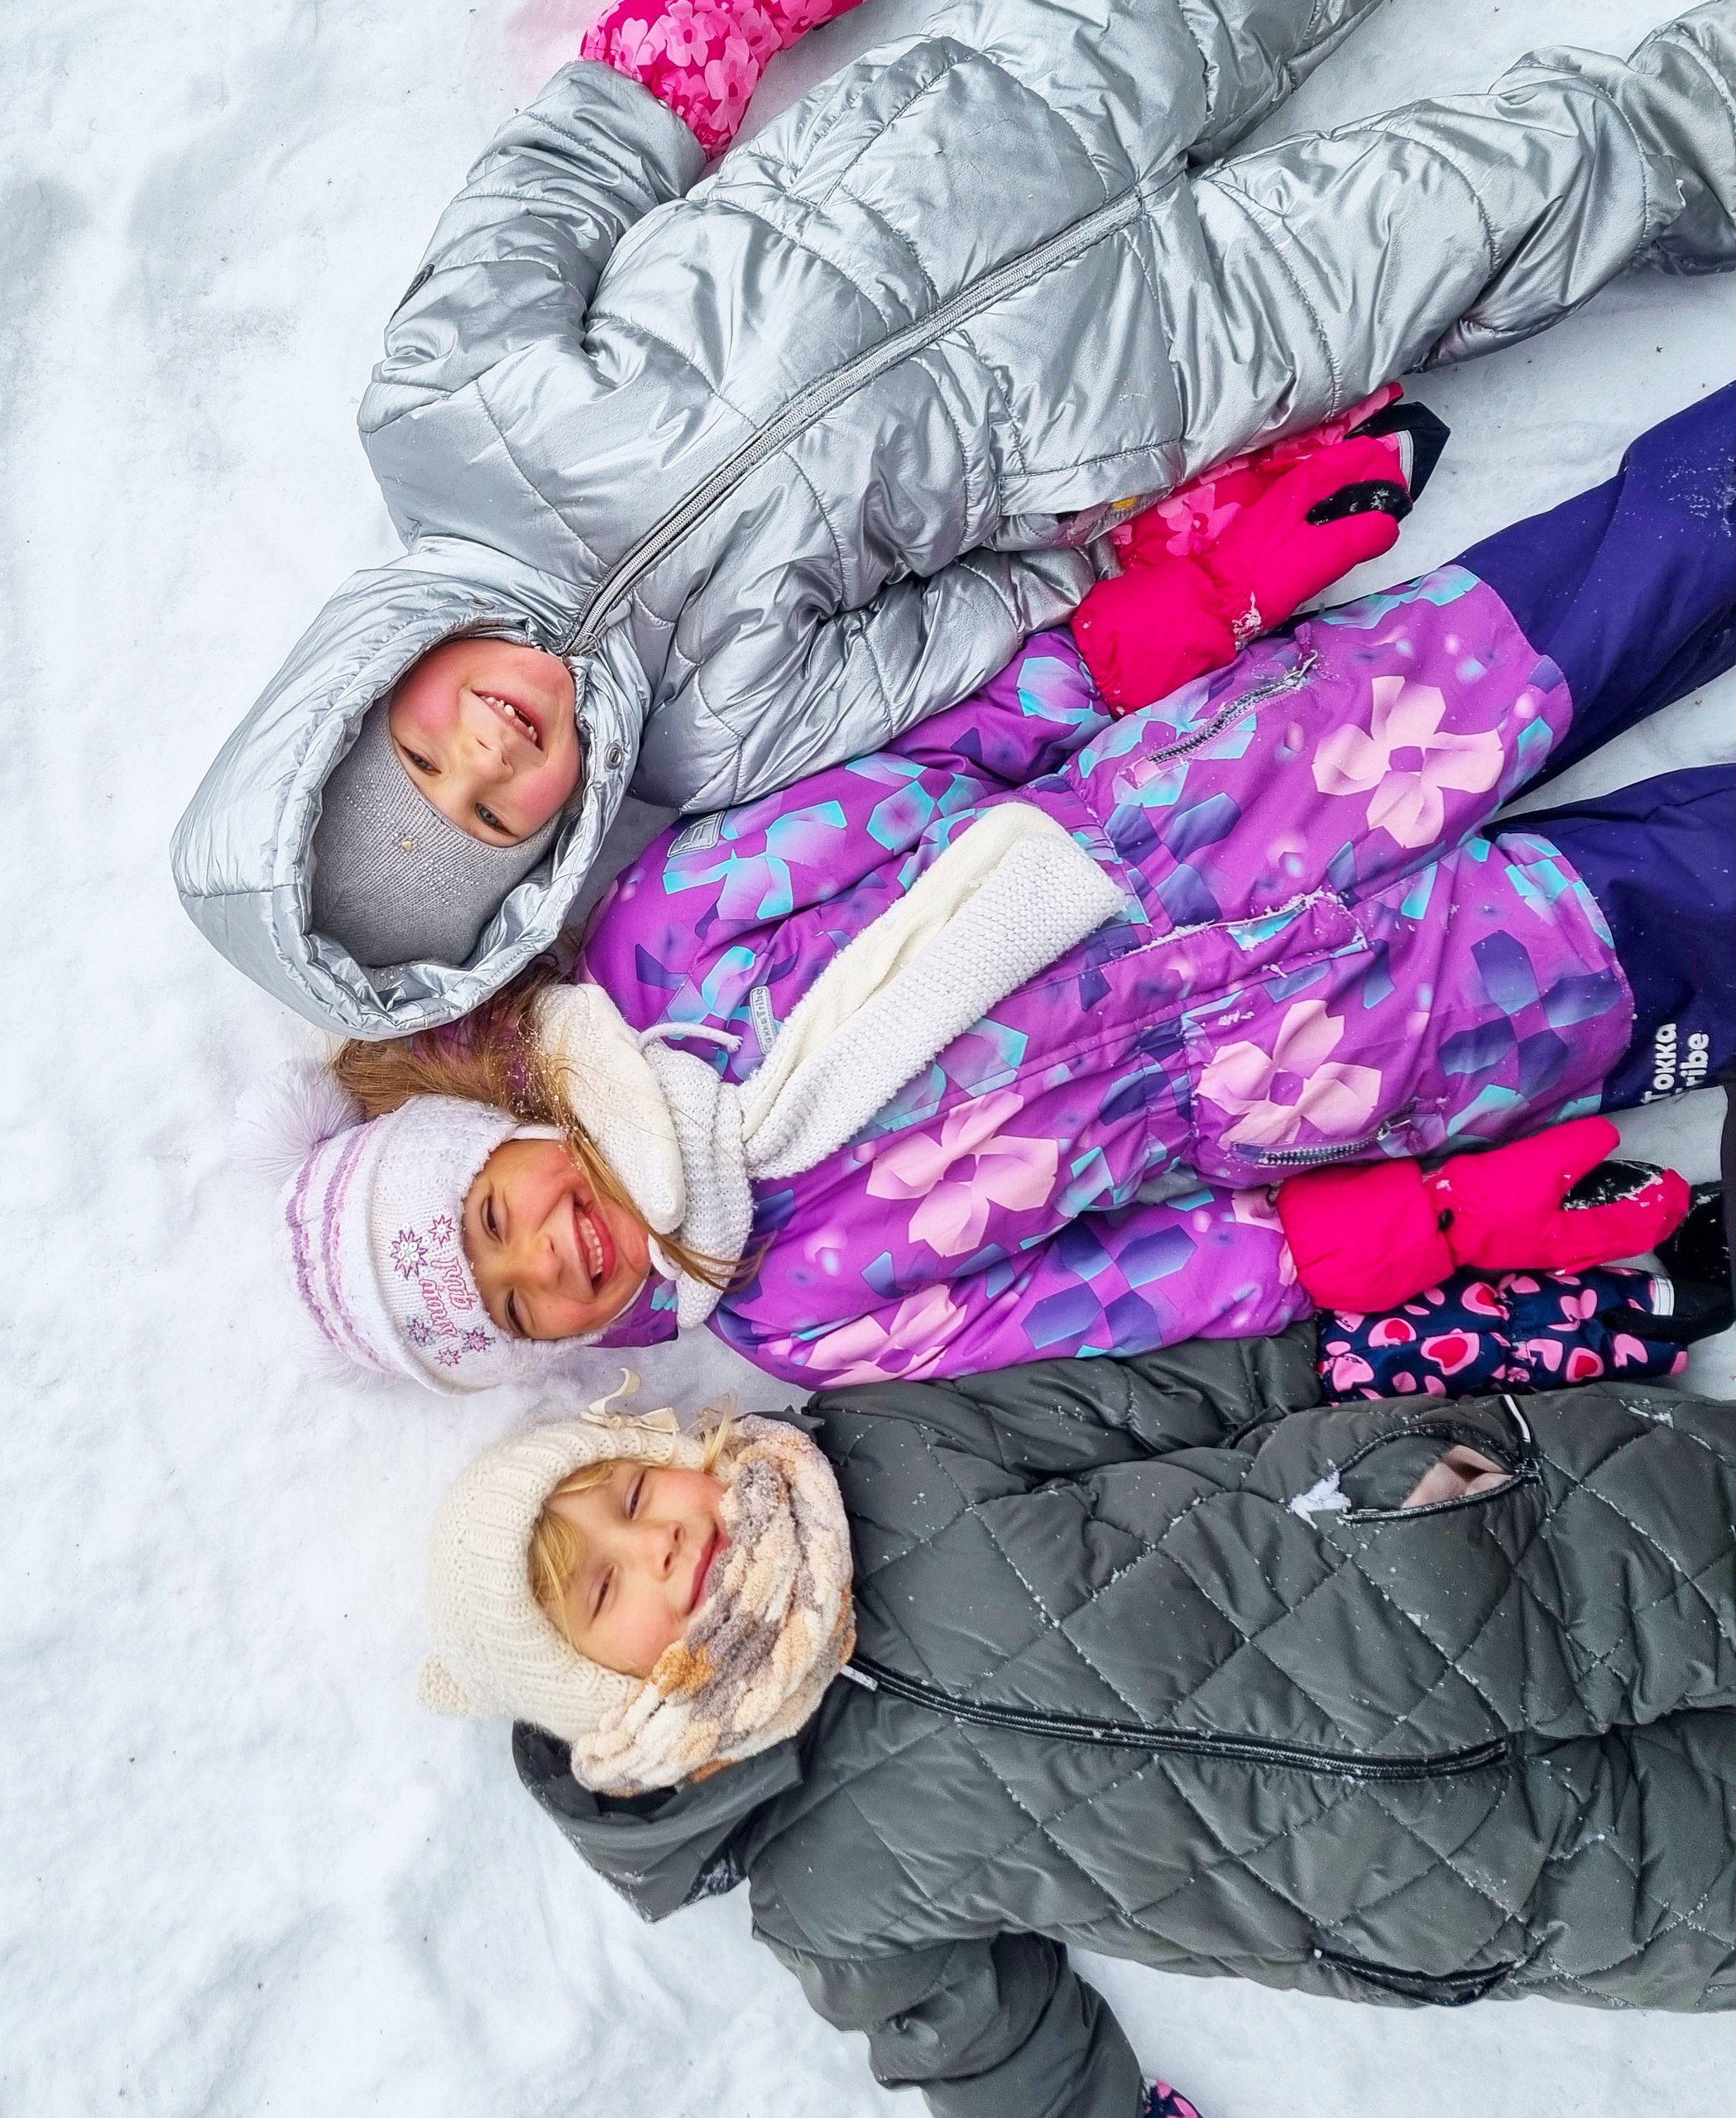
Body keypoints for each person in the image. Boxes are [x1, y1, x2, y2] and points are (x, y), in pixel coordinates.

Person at [170, 0, 1736, 1040]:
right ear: (547, 847)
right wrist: (1141, 523)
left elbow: (567, 179)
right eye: (498, 812)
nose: (496, 749)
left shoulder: (447, 413)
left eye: (427, 749)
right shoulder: (709, 735)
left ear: (365, 690)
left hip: (989, 123)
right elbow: (965, 627)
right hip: (1144, 373)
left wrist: (699, 39)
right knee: (1521, 195)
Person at [254, 394, 1735, 1392]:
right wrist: (1442, 1217)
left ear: (498, 1136)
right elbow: (1150, 1280)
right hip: (1344, 1057)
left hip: (1236, 786)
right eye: (516, 1305)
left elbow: (945, 765)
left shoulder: (665, 945)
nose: (544, 1253)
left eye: (489, 1216)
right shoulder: (797, 1317)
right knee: (1705, 906)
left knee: (1647, 565)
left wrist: (1209, 602)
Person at [418, 1349, 1736, 2116]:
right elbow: (996, 2053)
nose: (654, 1541)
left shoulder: (881, 1456)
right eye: (605, 1588)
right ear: (607, 1696)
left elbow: (1168, 1394)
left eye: (632, 1491)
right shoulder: (821, 1893)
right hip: (1506, 1885)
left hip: (1504, 1547)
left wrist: (1410, 1365)